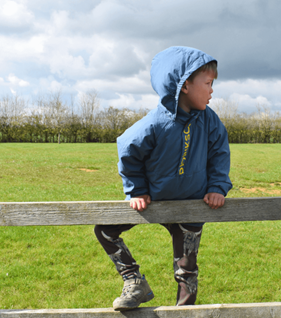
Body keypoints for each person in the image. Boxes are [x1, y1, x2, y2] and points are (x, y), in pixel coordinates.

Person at [94, 46, 232, 311]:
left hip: (191, 206)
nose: (212, 90)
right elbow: (128, 150)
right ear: (185, 85)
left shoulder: (210, 120)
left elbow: (219, 153)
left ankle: (183, 313)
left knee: (186, 269)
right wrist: (137, 190)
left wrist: (217, 187)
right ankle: (134, 280)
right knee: (105, 230)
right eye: (208, 83)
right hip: (153, 201)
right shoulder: (156, 122)